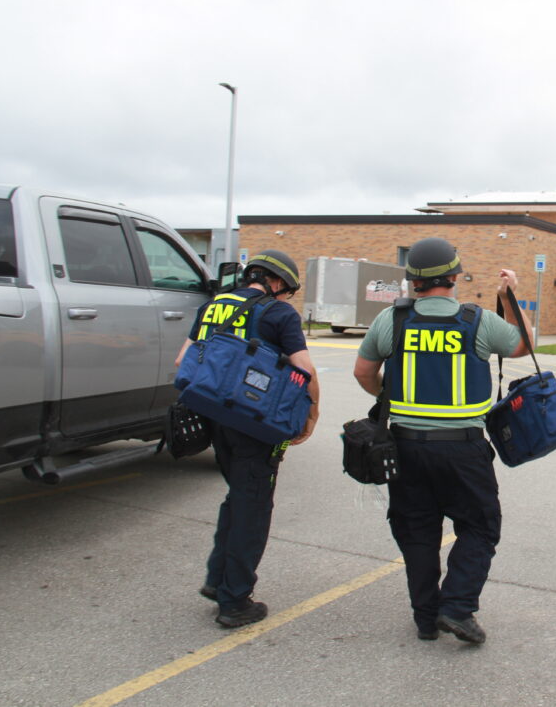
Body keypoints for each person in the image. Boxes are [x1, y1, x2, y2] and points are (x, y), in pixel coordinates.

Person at [353, 238, 533, 644]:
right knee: (480, 527)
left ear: (413, 280)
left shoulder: (391, 319)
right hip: (463, 449)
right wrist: (510, 295)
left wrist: (390, 398)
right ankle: (457, 607)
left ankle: (425, 617)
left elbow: (363, 372)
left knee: (416, 532)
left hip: (404, 447)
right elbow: (525, 346)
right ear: (454, 275)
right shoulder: (477, 320)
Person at [175, 249, 319, 628]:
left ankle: (217, 580)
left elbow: (182, 361)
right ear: (276, 282)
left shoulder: (212, 307)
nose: (287, 297)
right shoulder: (278, 313)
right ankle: (235, 600)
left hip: (214, 417)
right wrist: (311, 414)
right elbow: (303, 369)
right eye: (288, 291)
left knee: (237, 496)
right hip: (255, 424)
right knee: (253, 507)